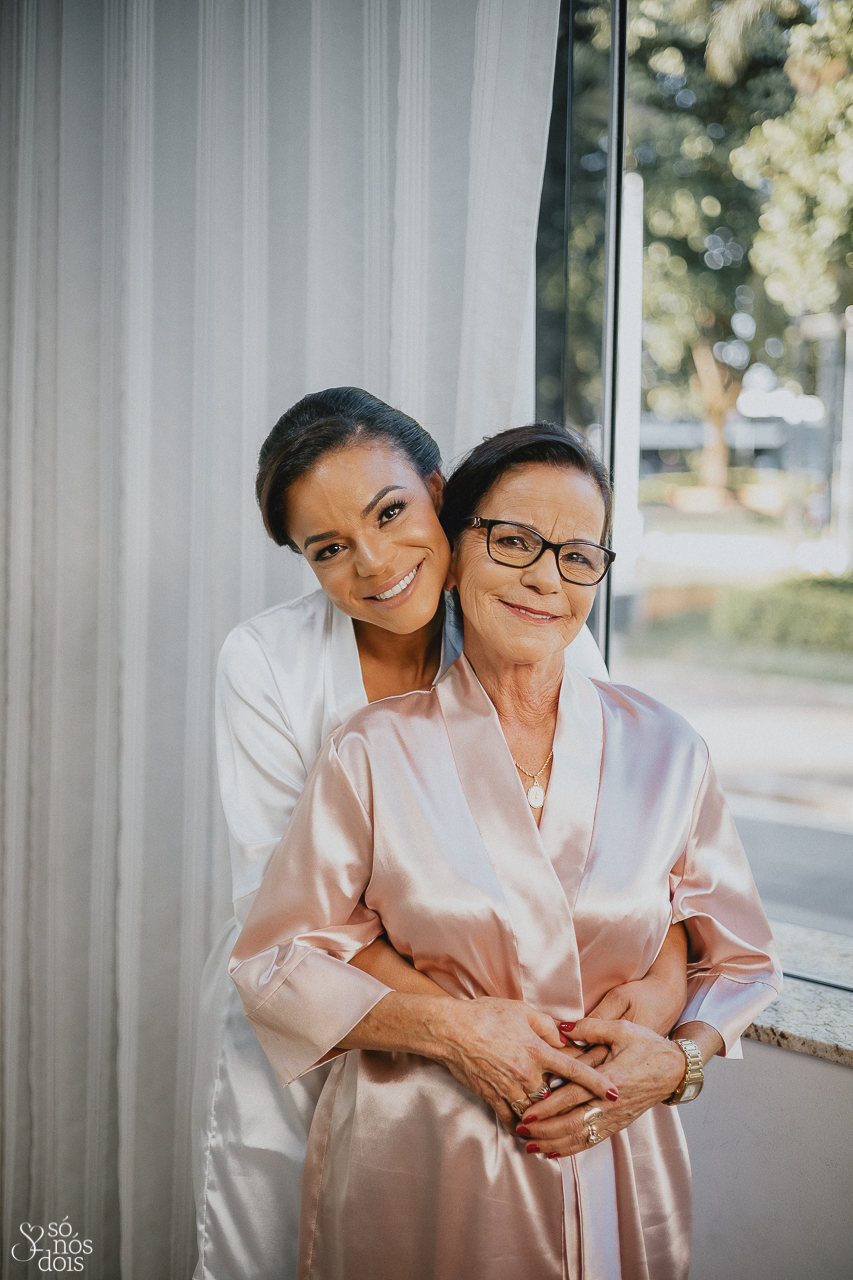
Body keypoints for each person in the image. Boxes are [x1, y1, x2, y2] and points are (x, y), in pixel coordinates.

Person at [230, 421, 781, 1280]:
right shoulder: (369, 750)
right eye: (514, 541)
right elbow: (277, 959)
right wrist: (458, 1032)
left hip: (613, 1148)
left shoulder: (668, 749)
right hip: (419, 1153)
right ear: (456, 549)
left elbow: (738, 956)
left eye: (577, 555)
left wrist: (677, 1061)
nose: (544, 578)